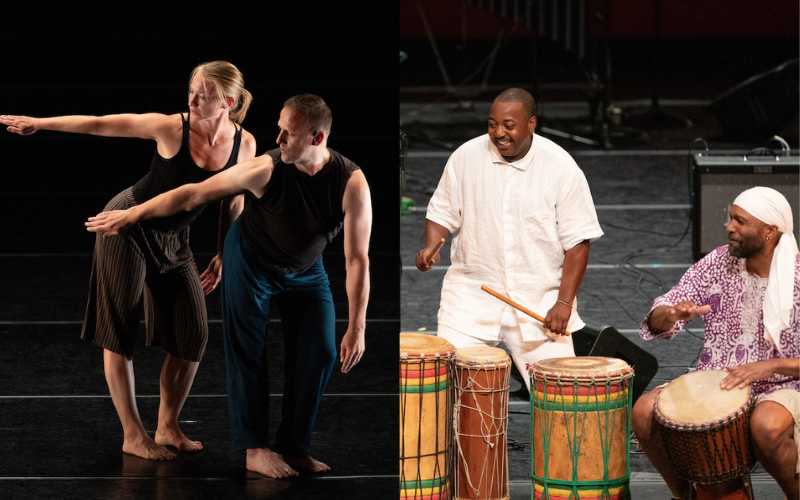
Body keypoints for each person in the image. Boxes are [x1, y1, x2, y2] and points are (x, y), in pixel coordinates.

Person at [85, 93, 372, 478]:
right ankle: (255, 449)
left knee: (319, 352)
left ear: (317, 139)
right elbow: (193, 193)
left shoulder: (351, 182)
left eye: (288, 133)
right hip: (252, 261)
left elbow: (357, 259)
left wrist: (357, 326)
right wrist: (133, 213)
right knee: (248, 352)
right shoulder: (265, 168)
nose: (279, 138)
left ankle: (295, 447)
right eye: (279, 129)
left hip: (306, 271)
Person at [0, 61, 257, 461]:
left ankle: (167, 426)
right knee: (119, 328)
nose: (190, 100)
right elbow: (102, 123)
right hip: (126, 225)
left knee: (193, 335)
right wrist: (41, 123)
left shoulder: (246, 145)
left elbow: (233, 200)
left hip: (175, 240)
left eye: (201, 95)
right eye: (189, 90)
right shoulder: (172, 127)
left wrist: (225, 252)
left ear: (227, 101)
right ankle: (133, 434)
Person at [414, 87, 603, 389]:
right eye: (492, 124)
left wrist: (564, 302)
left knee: (560, 399)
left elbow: (578, 241)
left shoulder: (560, 166)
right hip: (470, 299)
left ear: (531, 124)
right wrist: (430, 247)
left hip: (539, 303)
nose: (498, 133)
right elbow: (441, 213)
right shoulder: (465, 157)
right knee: (456, 395)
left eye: (508, 125)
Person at [632, 186, 799, 499]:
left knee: (768, 426)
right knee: (643, 412)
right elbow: (657, 318)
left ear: (769, 232)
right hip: (718, 382)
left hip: (781, 385)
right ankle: (683, 494)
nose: (729, 227)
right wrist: (670, 312)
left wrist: (768, 367)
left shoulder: (798, 277)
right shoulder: (717, 263)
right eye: (730, 218)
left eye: (740, 221)